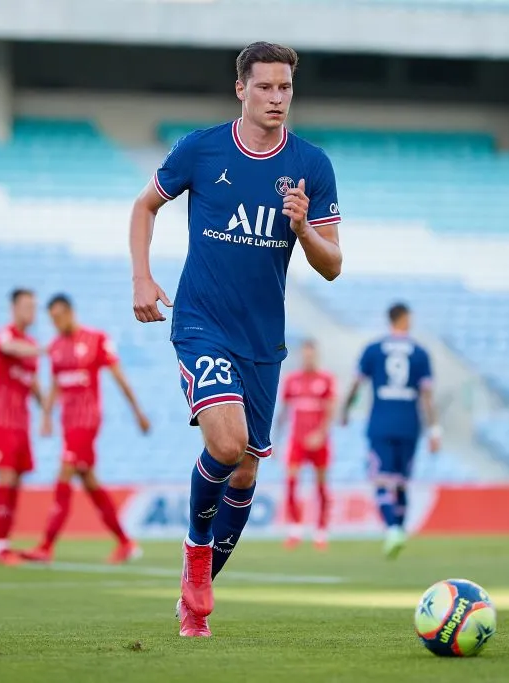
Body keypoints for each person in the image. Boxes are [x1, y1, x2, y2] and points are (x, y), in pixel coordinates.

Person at [129, 41, 343, 637]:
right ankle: (196, 552)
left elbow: (332, 265)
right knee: (227, 445)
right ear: (241, 89)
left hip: (262, 341)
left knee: (246, 472)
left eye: (285, 87)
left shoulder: (312, 165)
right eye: (265, 86)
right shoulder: (201, 149)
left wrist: (303, 228)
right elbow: (144, 207)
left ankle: (193, 598)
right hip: (201, 323)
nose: (277, 98)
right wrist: (142, 276)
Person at [21, 293, 148, 564]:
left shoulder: (96, 339)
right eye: (52, 319)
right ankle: (126, 543)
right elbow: (55, 384)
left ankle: (46, 545)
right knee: (89, 482)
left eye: (59, 316)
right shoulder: (56, 347)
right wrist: (46, 416)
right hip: (68, 424)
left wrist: (137, 412)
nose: (56, 322)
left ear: (70, 312)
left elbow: (119, 377)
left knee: (65, 472)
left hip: (87, 421)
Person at [341, 303, 440, 560]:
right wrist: (434, 430)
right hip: (409, 424)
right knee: (401, 482)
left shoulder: (373, 349)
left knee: (382, 479)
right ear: (404, 319)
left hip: (381, 422)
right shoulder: (420, 353)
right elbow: (427, 396)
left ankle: (393, 529)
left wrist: (346, 409)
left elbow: (357, 384)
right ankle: (400, 529)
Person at [0, 289, 44, 566]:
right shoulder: (5, 335)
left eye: (33, 306)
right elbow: (9, 348)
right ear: (14, 308)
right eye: (26, 306)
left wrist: (46, 411)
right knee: (5, 480)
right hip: (3, 421)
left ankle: (5, 542)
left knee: (16, 483)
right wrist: (47, 350)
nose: (31, 311)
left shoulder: (30, 343)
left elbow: (33, 383)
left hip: (22, 423)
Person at [275, 339, 337, 550]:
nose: (308, 358)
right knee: (291, 482)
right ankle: (295, 529)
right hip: (297, 440)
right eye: (305, 355)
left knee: (321, 485)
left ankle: (321, 530)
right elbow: (283, 412)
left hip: (319, 442)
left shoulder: (326, 379)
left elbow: (331, 410)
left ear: (316, 356)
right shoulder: (292, 380)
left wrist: (320, 434)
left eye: (311, 355)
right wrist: (275, 440)